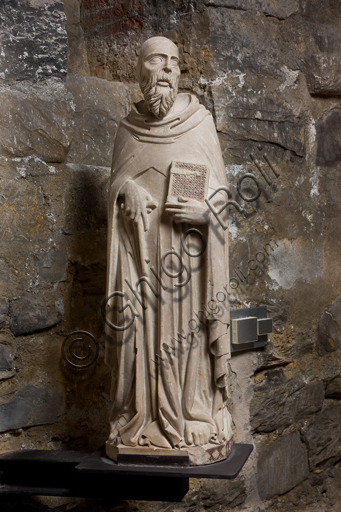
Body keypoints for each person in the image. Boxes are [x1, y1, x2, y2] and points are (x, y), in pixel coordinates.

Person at [104, 36, 233, 464]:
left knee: (189, 336)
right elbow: (116, 186)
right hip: (139, 257)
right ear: (140, 69)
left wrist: (205, 214)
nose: (167, 71)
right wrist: (127, 193)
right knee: (136, 337)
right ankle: (140, 418)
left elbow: (221, 196)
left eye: (174, 64)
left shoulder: (200, 123)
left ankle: (196, 409)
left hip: (188, 263)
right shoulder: (128, 130)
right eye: (157, 61)